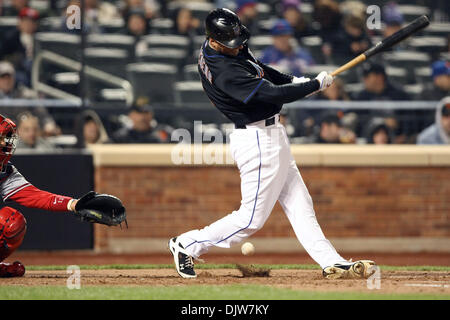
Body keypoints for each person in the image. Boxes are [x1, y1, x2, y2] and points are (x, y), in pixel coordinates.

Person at [168, 8, 376, 280]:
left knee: (300, 202)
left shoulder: (224, 46)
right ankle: (188, 244)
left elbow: (262, 70)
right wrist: (312, 85)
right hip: (256, 140)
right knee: (250, 219)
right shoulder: (224, 70)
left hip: (271, 134)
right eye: (231, 42)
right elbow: (272, 94)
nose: (239, 45)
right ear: (215, 41)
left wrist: (293, 80)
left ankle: (330, 261)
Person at [0, 114, 100, 277]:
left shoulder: (5, 169)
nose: (5, 143)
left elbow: (35, 196)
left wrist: (74, 204)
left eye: (7, 138)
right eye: (1, 139)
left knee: (11, 222)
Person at [0, 7, 39, 87]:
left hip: (36, 71)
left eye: (32, 22)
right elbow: (3, 57)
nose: (28, 24)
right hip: (17, 71)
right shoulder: (10, 39)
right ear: (19, 23)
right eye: (25, 21)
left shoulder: (40, 38)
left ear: (36, 25)